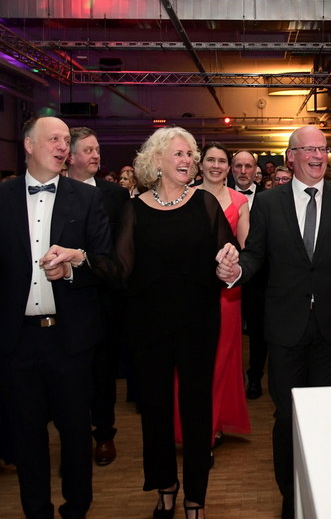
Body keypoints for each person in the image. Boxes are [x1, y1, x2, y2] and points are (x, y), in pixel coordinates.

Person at [215, 125, 331, 519]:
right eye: (309, 149)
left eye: (322, 149)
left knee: (325, 415)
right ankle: (290, 496)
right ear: (291, 156)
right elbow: (255, 255)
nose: (317, 155)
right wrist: (235, 272)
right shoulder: (268, 203)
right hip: (284, 326)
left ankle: (321, 493)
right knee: (286, 415)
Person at [115, 126, 236, 519]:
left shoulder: (205, 204)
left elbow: (229, 255)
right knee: (155, 409)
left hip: (198, 323)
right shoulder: (134, 209)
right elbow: (121, 269)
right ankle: (165, 485)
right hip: (148, 325)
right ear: (157, 160)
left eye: (191, 155)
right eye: (180, 154)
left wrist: (229, 265)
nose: (188, 161)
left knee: (197, 409)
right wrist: (80, 261)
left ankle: (195, 497)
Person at [0, 116, 112, 519]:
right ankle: (37, 511)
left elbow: (105, 263)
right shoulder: (3, 197)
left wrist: (71, 269)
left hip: (70, 338)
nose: (63, 146)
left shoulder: (86, 199)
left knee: (76, 432)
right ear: (28, 145)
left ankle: (77, 509)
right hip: (17, 339)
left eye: (66, 140)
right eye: (53, 139)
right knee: (26, 434)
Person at [173, 142, 251, 459]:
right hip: (190, 291)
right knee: (190, 361)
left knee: (220, 361)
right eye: (210, 160)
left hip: (226, 294)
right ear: (200, 164)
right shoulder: (185, 195)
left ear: (228, 167)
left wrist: (232, 261)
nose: (216, 166)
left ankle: (211, 426)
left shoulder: (239, 201)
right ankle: (188, 424)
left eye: (222, 161)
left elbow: (247, 248)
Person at [67, 127, 130, 466]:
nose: (96, 155)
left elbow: (123, 252)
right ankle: (74, 440)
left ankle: (104, 434)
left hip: (104, 299)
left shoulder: (115, 195)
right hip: (65, 297)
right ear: (70, 156)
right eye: (88, 150)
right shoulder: (56, 192)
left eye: (97, 149)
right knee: (71, 376)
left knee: (103, 373)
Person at [231, 150, 267, 399]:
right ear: (231, 169)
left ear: (256, 170)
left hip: (259, 276)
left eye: (248, 166)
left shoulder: (269, 198)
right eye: (238, 166)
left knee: (258, 331)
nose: (243, 171)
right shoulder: (220, 196)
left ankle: (254, 377)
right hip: (225, 275)